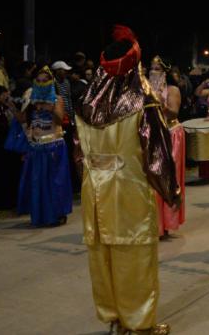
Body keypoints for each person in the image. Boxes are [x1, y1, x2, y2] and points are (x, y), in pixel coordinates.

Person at [75, 26, 178, 335]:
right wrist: (170, 190)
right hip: (129, 189)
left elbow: (79, 153)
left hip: (95, 192)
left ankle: (115, 317)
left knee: (102, 256)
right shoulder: (142, 98)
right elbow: (157, 154)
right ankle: (140, 323)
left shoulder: (87, 98)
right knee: (134, 258)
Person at [11, 66, 73, 227]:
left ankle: (57, 214)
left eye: (45, 81)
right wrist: (10, 105)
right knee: (38, 182)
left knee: (55, 183)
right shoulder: (30, 97)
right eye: (38, 81)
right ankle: (39, 215)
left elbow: (60, 119)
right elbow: (23, 119)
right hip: (37, 147)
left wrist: (48, 106)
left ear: (51, 82)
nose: (41, 83)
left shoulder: (57, 99)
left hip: (54, 146)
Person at [149, 55, 186, 239]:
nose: (152, 72)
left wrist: (159, 104)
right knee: (152, 180)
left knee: (167, 178)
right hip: (153, 137)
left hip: (171, 135)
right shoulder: (145, 89)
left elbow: (174, 112)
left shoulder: (172, 90)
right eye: (151, 68)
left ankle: (166, 223)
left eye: (157, 69)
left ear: (164, 72)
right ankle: (155, 224)